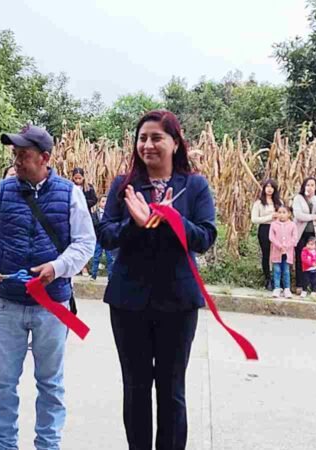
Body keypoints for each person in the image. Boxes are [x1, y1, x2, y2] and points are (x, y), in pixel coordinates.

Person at [0, 124, 94, 450]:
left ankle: (47, 445)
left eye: (24, 155)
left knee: (50, 384)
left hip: (53, 306)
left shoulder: (70, 194)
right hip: (7, 304)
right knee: (2, 383)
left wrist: (57, 267)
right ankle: (3, 444)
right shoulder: (0, 192)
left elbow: (85, 243)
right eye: (15, 154)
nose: (17, 161)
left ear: (45, 158)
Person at [98, 110, 217, 450]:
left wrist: (172, 217)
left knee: (171, 388)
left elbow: (205, 236)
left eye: (156, 138)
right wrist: (134, 224)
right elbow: (106, 234)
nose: (147, 145)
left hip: (178, 302)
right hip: (128, 302)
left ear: (175, 143)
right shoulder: (123, 185)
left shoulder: (194, 185)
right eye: (142, 138)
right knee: (135, 387)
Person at [292, 177, 316, 295]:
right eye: (308, 185)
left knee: (314, 259)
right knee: (301, 259)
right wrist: (314, 217)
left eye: (312, 185)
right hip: (301, 233)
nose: (310, 187)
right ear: (303, 186)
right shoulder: (298, 198)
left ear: (315, 187)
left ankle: (315, 287)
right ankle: (300, 285)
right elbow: (298, 215)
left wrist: (313, 198)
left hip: (313, 234)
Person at [251, 179, 282, 290]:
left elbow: (284, 215)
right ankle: (267, 278)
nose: (269, 189)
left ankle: (278, 279)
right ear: (264, 188)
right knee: (266, 254)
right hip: (265, 229)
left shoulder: (279, 202)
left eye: (272, 187)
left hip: (277, 229)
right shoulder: (259, 203)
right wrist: (270, 217)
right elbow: (254, 219)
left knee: (277, 254)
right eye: (267, 186)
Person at [268, 204, 297, 298]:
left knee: (286, 271)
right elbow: (271, 237)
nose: (281, 214)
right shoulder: (273, 224)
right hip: (277, 251)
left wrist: (286, 246)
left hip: (287, 252)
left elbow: (294, 237)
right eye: (279, 212)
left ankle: (287, 289)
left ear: (289, 214)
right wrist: (279, 246)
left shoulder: (292, 225)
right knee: (276, 270)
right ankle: (277, 288)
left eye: (284, 212)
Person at [90, 195, 114, 279]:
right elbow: (94, 225)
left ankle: (110, 276)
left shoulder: (110, 214)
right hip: (99, 238)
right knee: (96, 257)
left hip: (108, 239)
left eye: (106, 202)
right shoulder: (94, 214)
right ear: (99, 203)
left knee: (110, 258)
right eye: (103, 201)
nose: (105, 203)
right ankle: (93, 275)